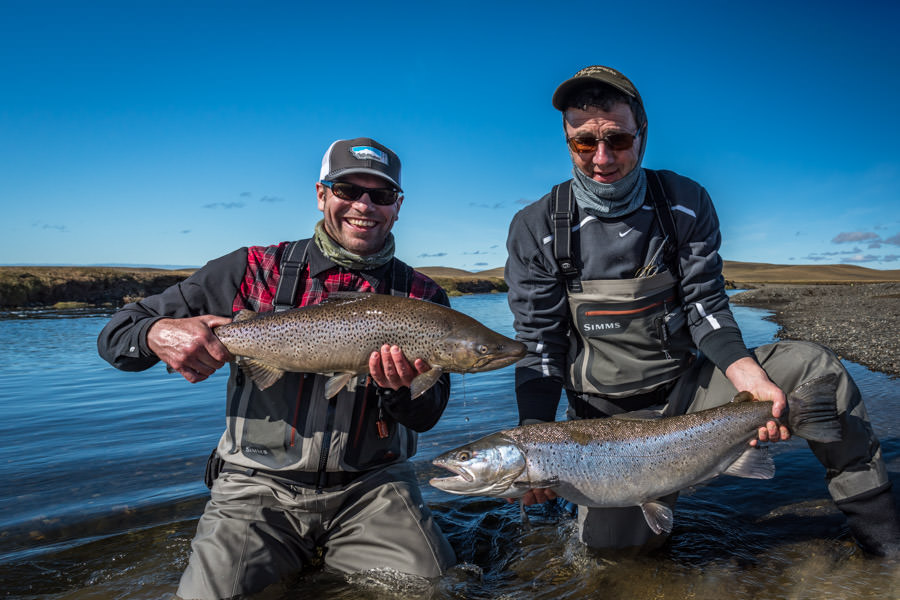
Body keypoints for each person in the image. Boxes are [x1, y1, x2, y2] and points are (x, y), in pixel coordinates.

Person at [504, 65, 900, 556]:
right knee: (616, 558)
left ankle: (885, 548)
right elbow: (540, 343)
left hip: (691, 395)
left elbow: (705, 304)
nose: (601, 158)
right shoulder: (535, 225)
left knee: (814, 369)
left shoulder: (684, 203)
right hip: (601, 426)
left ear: (642, 135)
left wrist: (749, 381)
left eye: (618, 139)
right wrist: (534, 438)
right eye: (584, 142)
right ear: (568, 141)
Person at [98, 137, 456, 598]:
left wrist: (397, 388)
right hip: (255, 487)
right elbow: (115, 336)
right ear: (321, 193)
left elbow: (427, 416)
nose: (364, 205)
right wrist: (156, 333)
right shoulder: (251, 269)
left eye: (381, 195)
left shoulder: (423, 298)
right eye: (348, 190)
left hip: (374, 488)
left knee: (431, 592)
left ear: (398, 206)